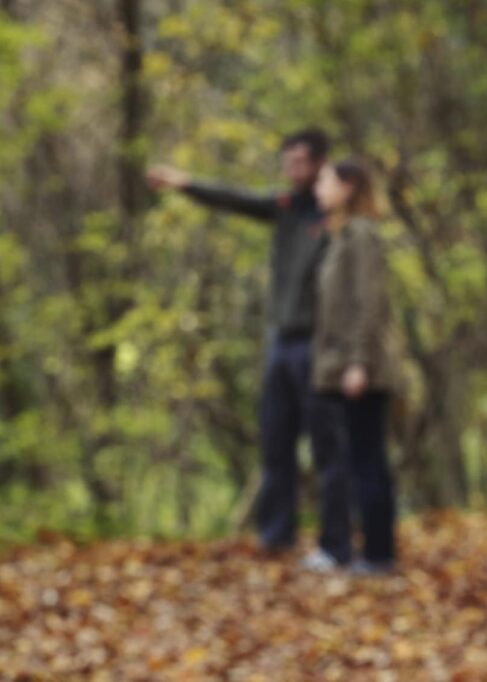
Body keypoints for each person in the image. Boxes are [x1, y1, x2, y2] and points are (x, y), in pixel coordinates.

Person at [146, 128, 332, 554]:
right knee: (275, 439)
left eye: (300, 161)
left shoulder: (334, 216)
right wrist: (184, 183)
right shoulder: (286, 207)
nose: (292, 170)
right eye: (287, 162)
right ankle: (275, 536)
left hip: (317, 343)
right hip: (280, 342)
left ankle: (335, 538)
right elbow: (236, 198)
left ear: (321, 162)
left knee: (325, 444)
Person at [305, 159, 399, 574]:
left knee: (367, 459)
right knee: (357, 457)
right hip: (345, 365)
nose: (317, 188)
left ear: (349, 186)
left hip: (362, 368)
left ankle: (379, 555)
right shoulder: (342, 234)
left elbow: (368, 301)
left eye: (324, 180)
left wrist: (358, 362)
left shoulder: (361, 233)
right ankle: (367, 552)